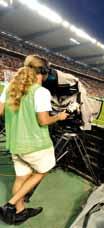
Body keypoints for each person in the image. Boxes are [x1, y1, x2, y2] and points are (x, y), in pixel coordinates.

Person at [0, 55, 69, 225]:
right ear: (44, 72)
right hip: (36, 145)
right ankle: (10, 205)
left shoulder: (9, 87)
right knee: (41, 172)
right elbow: (43, 120)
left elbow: (1, 112)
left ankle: (19, 211)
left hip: (15, 144)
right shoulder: (41, 91)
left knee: (22, 177)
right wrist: (59, 117)